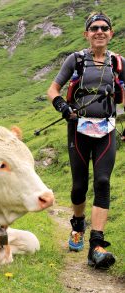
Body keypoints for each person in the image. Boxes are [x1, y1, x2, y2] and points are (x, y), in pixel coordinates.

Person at [47, 12, 125, 269]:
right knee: (79, 186)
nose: (99, 31)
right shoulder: (76, 60)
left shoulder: (119, 63)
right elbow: (53, 89)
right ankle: (78, 224)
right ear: (87, 34)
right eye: (94, 28)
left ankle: (97, 245)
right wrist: (61, 106)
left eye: (104, 28)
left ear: (111, 33)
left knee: (102, 181)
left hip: (107, 130)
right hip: (78, 129)